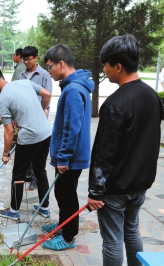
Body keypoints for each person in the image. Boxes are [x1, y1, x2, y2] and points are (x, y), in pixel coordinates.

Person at [88, 34, 163, 266]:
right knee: (131, 231)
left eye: (106, 65)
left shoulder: (114, 104)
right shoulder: (152, 97)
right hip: (140, 183)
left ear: (118, 66)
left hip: (115, 188)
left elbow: (103, 154)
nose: (104, 69)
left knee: (112, 239)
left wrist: (95, 192)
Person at [41, 44, 94, 251]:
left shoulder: (72, 89)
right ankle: (63, 225)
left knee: (67, 195)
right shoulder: (73, 86)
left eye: (50, 66)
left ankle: (69, 237)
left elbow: (71, 127)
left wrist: (63, 157)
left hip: (70, 158)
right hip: (70, 156)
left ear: (61, 64)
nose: (49, 71)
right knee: (62, 193)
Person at [0, 68, 51, 221]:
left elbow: (9, 131)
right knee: (40, 169)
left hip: (29, 137)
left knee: (18, 174)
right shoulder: (25, 82)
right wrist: (42, 110)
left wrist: (6, 153)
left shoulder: (1, 100)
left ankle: (13, 210)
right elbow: (47, 94)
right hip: (46, 133)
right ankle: (44, 208)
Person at [18, 46, 53, 197]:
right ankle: (28, 175)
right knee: (26, 152)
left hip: (39, 121)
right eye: (24, 60)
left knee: (39, 157)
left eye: (29, 59)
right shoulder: (21, 75)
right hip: (25, 120)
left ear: (36, 58)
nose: (26, 62)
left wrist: (42, 110)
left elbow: (48, 95)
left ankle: (35, 179)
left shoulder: (44, 75)